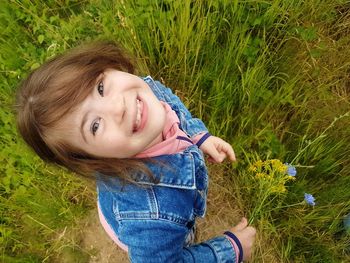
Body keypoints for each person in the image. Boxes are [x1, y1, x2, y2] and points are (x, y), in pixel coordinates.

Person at [16, 41, 256, 262]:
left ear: (109, 66)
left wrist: (198, 135)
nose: (118, 106)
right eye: (95, 126)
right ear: (91, 159)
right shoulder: (150, 218)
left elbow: (169, 101)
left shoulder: (143, 91)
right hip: (138, 222)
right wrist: (229, 249)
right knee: (178, 237)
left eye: (100, 87)